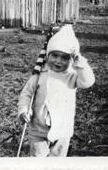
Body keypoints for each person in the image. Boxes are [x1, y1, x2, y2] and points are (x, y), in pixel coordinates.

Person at [18, 25, 95, 157]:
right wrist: (24, 110)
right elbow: (26, 94)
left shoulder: (72, 76)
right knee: (37, 160)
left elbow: (88, 82)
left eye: (65, 57)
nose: (58, 61)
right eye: (54, 55)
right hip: (38, 129)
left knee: (57, 161)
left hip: (62, 130)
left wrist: (80, 63)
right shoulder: (39, 75)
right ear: (48, 55)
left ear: (71, 60)